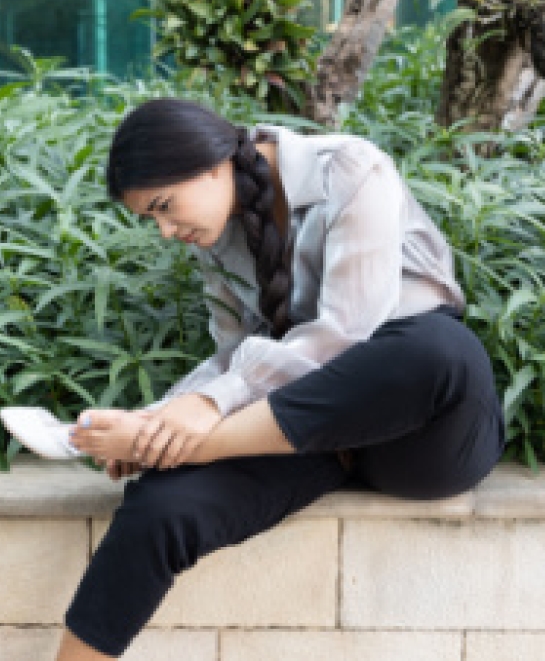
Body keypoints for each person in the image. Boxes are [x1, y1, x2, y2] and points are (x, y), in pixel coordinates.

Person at [52, 98, 505, 660]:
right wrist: (160, 420)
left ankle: (193, 449)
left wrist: (195, 426)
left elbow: (347, 330)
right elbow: (234, 356)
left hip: (420, 433)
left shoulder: (349, 170)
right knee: (162, 505)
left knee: (436, 348)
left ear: (213, 162)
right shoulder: (217, 234)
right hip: (306, 438)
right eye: (152, 219)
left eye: (165, 207)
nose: (166, 231)